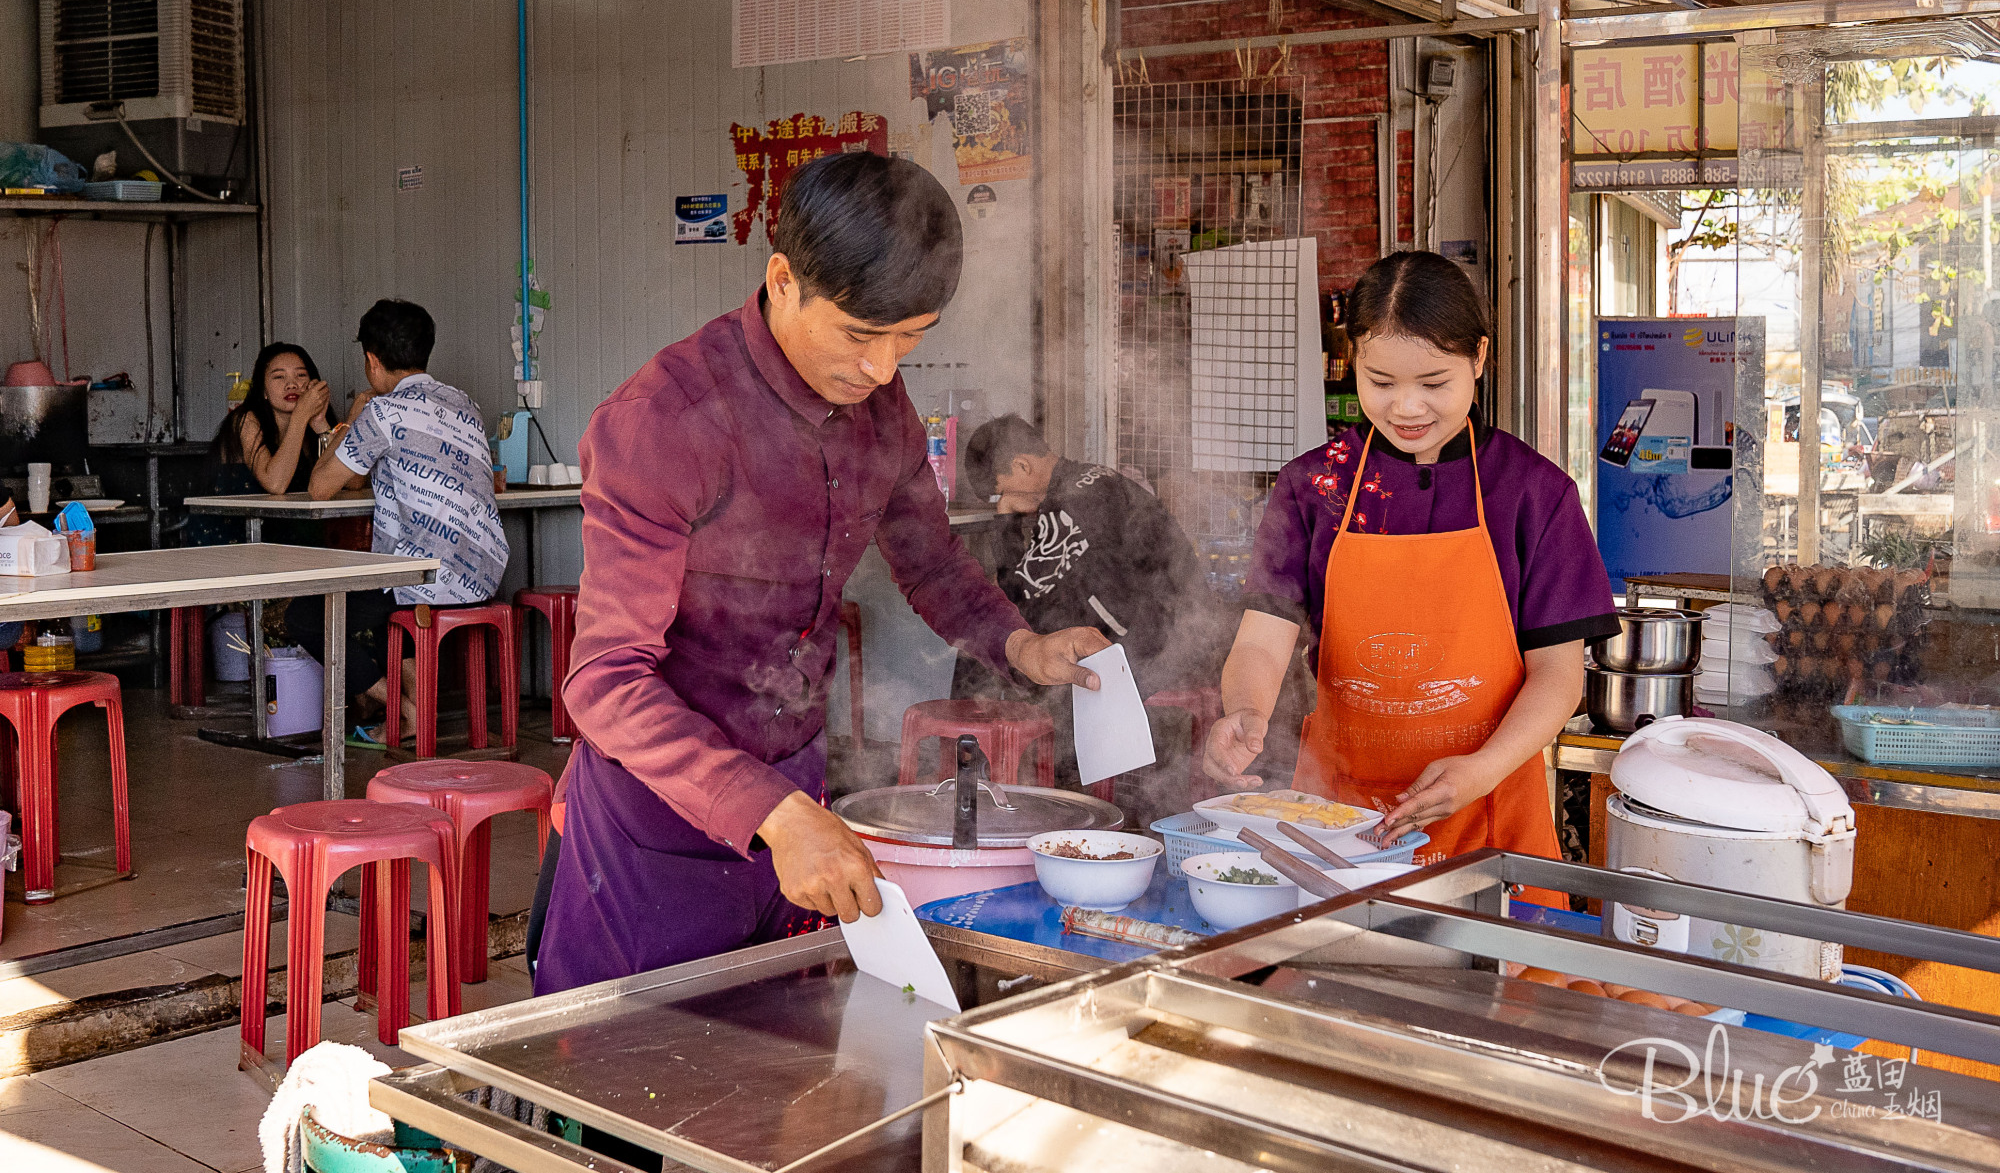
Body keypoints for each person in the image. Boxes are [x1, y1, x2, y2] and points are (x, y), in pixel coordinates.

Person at [533, 152, 1108, 1001]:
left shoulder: (883, 411)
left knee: (779, 1082)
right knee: (629, 1091)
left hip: (800, 798)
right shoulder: (666, 421)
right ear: (783, 280)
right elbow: (606, 683)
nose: (882, 370)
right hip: (661, 820)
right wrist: (773, 812)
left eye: (909, 340)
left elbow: (934, 562)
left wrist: (1024, 646)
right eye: (860, 335)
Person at [1202, 251, 1617, 902]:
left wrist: (1478, 771)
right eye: (1380, 381)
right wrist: (1246, 711)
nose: (1406, 406)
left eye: (1433, 381)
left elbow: (1561, 677)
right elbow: (1261, 638)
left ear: (1479, 357)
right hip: (1337, 833)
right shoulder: (1313, 485)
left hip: (1492, 820)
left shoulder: (1535, 494)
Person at [957, 415, 1230, 800]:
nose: (1006, 498)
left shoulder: (1066, 508)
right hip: (1180, 627)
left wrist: (1006, 518)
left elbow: (1018, 597)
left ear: (1022, 466)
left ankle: (1053, 797)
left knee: (986, 650)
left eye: (1003, 490)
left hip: (1164, 644)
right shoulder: (1094, 479)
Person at [286, 299, 509, 746]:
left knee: (306, 616)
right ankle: (409, 709)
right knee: (393, 595)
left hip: (424, 578)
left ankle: (405, 707)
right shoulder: (465, 403)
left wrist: (348, 422)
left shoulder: (384, 413)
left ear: (371, 360)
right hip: (484, 575)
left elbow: (319, 488)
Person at [183, 342, 332, 547]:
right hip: (231, 542)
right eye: (279, 377)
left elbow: (353, 482)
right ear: (263, 390)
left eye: (301, 375)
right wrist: (301, 416)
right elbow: (276, 483)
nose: (292, 384)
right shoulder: (246, 420)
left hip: (284, 543)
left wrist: (322, 425)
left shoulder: (313, 424)